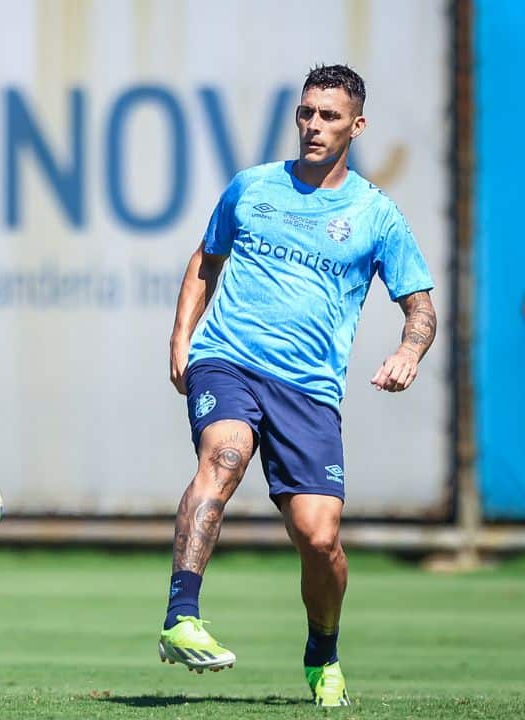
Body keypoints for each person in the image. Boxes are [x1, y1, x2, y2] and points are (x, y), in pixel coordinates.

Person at [156, 65, 437, 707]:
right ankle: (181, 616)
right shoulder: (251, 188)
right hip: (228, 358)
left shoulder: (375, 214)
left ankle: (323, 651)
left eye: (330, 116)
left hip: (309, 389)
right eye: (307, 113)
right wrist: (181, 338)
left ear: (356, 126)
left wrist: (407, 351)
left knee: (319, 537)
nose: (314, 126)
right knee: (223, 456)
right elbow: (206, 258)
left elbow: (421, 308)